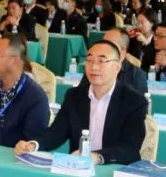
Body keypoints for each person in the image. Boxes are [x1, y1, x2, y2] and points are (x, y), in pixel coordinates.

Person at [15, 40, 147, 165]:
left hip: (114, 169)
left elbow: (130, 148)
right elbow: (56, 132)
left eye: (101, 61)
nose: (94, 67)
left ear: (117, 67)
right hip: (78, 169)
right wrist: (33, 145)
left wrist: (97, 157)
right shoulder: (74, 96)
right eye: (89, 60)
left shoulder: (134, 101)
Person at [104, 28, 147, 95]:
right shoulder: (95, 68)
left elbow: (139, 100)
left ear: (123, 50)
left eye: (109, 45)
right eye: (103, 43)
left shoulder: (136, 75)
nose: (103, 47)